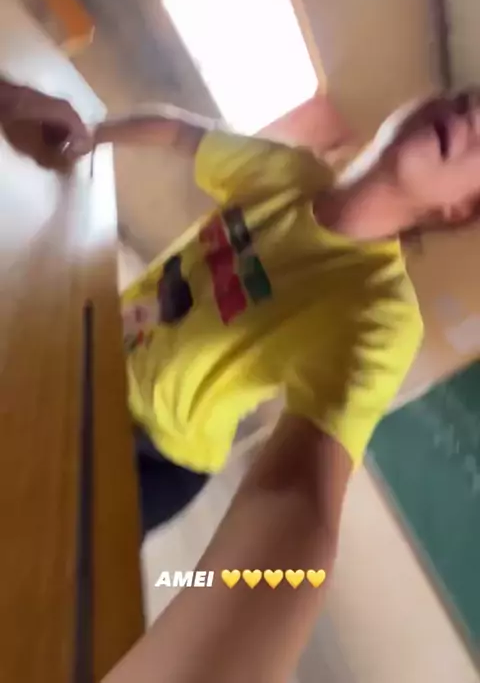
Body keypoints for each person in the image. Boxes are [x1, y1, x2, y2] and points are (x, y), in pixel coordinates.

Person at [2, 78, 480, 549]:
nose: (471, 116)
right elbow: (178, 131)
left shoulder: (383, 312)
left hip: (156, 453)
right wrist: (93, 133)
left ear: (459, 209)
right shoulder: (289, 170)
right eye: (463, 100)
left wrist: (260, 580)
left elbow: (311, 499)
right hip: (95, 350)